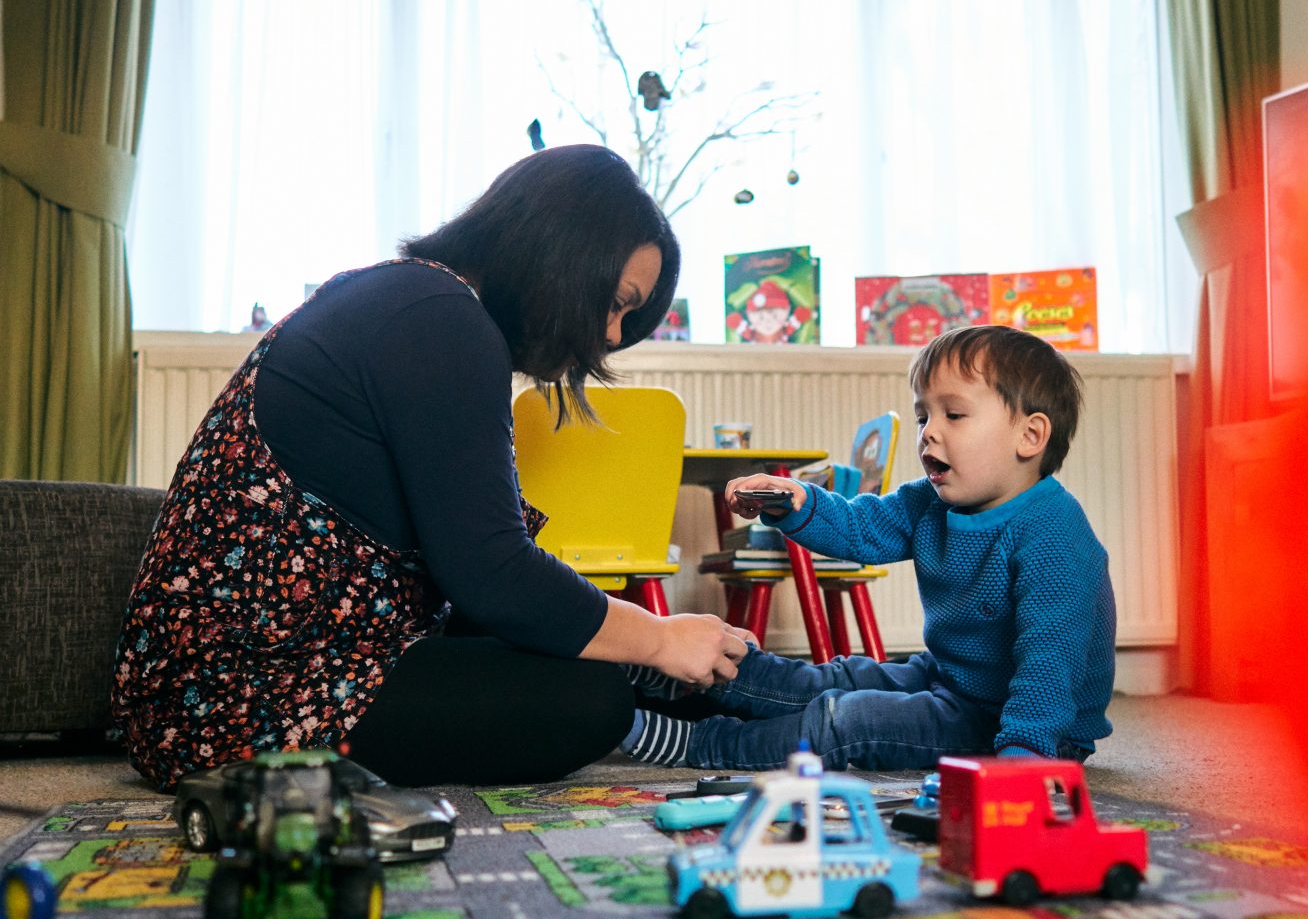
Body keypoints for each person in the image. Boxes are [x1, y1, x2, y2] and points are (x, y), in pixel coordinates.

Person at [111, 144, 751, 791]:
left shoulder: (415, 300)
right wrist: (657, 640)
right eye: (615, 303)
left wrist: (653, 642)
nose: (613, 335)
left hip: (256, 673)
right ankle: (719, 721)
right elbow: (493, 573)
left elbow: (475, 577)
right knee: (591, 698)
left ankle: (742, 690)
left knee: (598, 652)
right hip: (227, 703)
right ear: (563, 256)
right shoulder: (442, 322)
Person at [619, 324, 1116, 770]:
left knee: (848, 719)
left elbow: (1049, 662)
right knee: (838, 678)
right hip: (951, 678)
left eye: (955, 414)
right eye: (924, 416)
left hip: (1023, 725)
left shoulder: (1055, 537)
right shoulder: (933, 502)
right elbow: (864, 528)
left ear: (1030, 435)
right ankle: (716, 678)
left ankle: (706, 745)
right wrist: (797, 503)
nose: (929, 433)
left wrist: (1024, 758)